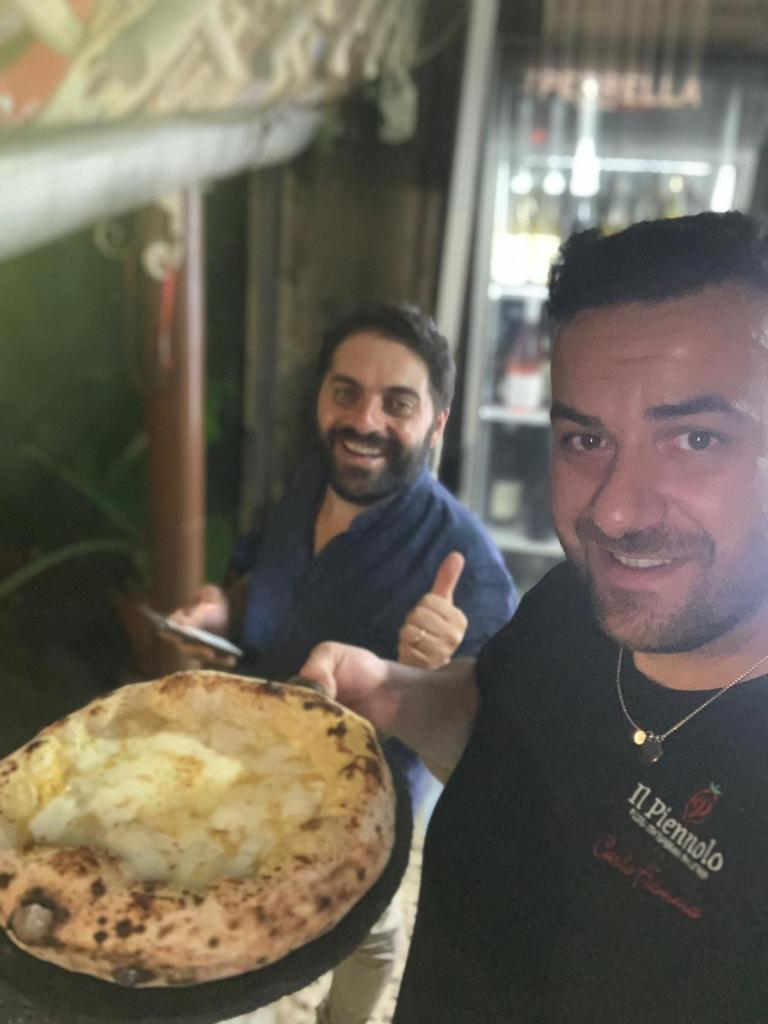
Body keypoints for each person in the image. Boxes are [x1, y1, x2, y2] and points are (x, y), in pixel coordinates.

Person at [300, 212, 768, 1024]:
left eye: (695, 439)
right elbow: (499, 736)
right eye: (586, 439)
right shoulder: (569, 602)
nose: (614, 513)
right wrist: (394, 694)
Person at [166, 302, 517, 1024]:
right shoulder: (308, 482)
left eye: (398, 403)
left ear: (438, 423)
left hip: (358, 812)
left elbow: (493, 755)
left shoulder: (470, 567)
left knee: (370, 938)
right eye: (346, 392)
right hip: (249, 757)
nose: (364, 422)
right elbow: (262, 583)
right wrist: (222, 612)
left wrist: (435, 677)